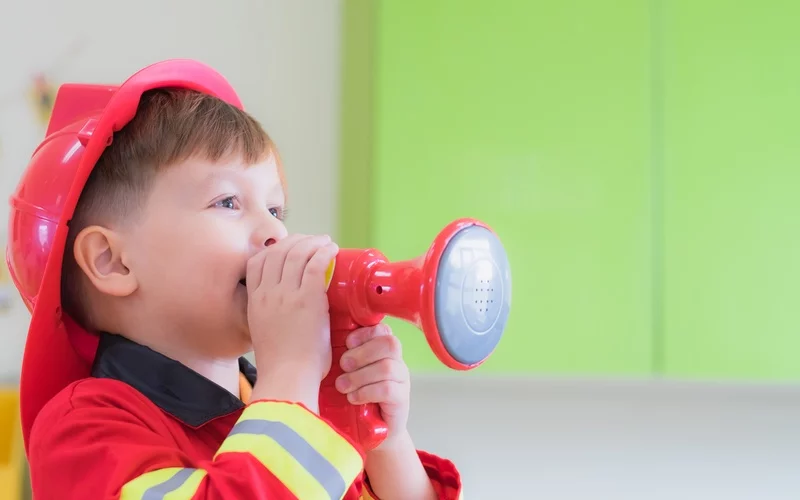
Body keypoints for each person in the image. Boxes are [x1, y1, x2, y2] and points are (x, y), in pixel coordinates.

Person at [7, 59, 462, 499]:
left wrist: (383, 444)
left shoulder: (280, 404)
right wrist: (291, 372)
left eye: (276, 209)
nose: (276, 233)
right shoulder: (84, 429)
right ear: (113, 262)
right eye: (227, 202)